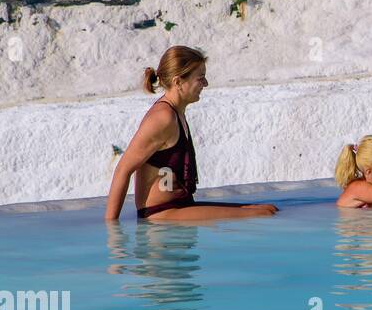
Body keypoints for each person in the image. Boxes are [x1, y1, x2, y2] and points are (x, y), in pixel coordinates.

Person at [105, 46, 279, 221]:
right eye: (200, 78)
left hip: (181, 205)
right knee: (261, 214)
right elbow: (123, 170)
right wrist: (112, 230)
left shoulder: (177, 112)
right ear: (178, 82)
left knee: (268, 209)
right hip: (161, 213)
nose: (206, 84)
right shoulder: (163, 118)